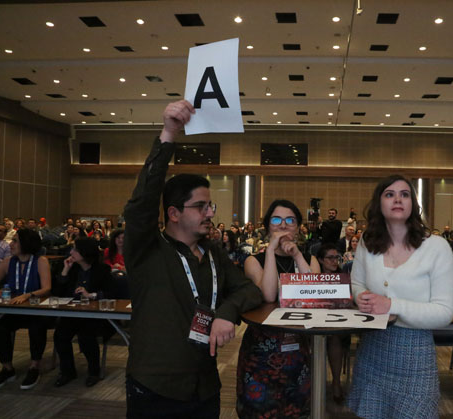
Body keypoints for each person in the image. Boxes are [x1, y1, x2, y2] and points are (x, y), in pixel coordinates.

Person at [123, 100, 263, 418]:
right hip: (156, 385)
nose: (210, 213)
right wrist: (169, 133)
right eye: (201, 206)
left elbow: (248, 290)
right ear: (173, 213)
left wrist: (226, 313)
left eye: (210, 206)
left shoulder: (213, 253)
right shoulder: (147, 250)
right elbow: (142, 202)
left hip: (204, 385)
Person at [347, 175, 453, 418]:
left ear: (412, 204)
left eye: (404, 194)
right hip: (372, 348)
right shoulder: (367, 241)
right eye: (390, 194)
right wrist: (361, 296)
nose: (398, 199)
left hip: (415, 354)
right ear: (379, 203)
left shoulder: (436, 247)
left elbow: (444, 312)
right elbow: (357, 283)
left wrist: (391, 305)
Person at [236, 199, 320, 418]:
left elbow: (315, 293)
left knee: (296, 409)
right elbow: (268, 294)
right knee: (260, 411)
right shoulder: (254, 261)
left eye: (290, 220)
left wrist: (297, 255)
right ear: (267, 227)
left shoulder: (309, 259)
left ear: (298, 228)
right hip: (262, 349)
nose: (283, 225)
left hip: (297, 346)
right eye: (276, 220)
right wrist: (271, 251)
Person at [0, 229, 51, 390]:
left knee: (36, 328)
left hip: (36, 309)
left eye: (15, 241)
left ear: (26, 243)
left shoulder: (40, 261)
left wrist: (27, 295)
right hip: (15, 310)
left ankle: (34, 367)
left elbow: (46, 288)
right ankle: (7, 369)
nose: (11, 244)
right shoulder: (8, 262)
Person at [53, 238, 114, 387]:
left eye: (75, 249)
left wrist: (90, 295)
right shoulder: (71, 268)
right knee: (60, 335)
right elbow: (57, 293)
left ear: (85, 252)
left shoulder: (102, 270)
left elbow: (110, 294)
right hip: (72, 313)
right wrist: (65, 271)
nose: (71, 252)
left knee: (86, 336)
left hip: (95, 315)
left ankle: (93, 372)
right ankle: (67, 371)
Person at [317, 243, 351, 403]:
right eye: (330, 258)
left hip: (337, 319)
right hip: (315, 318)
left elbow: (348, 301)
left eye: (336, 257)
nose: (334, 261)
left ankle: (336, 382)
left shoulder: (343, 277)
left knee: (334, 337)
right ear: (320, 260)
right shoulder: (312, 276)